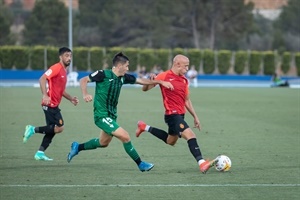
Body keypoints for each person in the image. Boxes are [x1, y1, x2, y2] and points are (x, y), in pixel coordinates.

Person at [67, 52, 173, 172]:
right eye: (127, 66)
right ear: (119, 66)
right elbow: (83, 80)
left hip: (112, 116)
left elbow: (141, 81)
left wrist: (159, 82)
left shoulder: (123, 78)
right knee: (125, 136)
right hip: (101, 115)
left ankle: (77, 147)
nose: (128, 68)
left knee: (103, 142)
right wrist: (85, 94)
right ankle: (141, 164)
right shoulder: (103, 74)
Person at [135, 54, 217, 174]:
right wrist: (153, 81)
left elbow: (187, 100)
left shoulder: (184, 80)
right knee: (191, 135)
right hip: (172, 115)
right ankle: (202, 163)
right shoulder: (164, 75)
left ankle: (144, 127)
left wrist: (195, 116)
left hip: (180, 115)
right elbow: (144, 89)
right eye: (186, 66)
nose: (187, 69)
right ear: (177, 64)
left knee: (170, 141)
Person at [23, 47, 79, 161]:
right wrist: (45, 95)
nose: (69, 58)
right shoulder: (56, 68)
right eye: (66, 56)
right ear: (60, 57)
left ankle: (40, 152)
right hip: (49, 104)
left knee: (52, 129)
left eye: (70, 56)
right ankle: (32, 129)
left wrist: (71, 99)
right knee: (59, 127)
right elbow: (42, 79)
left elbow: (61, 90)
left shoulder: (64, 71)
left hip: (54, 104)